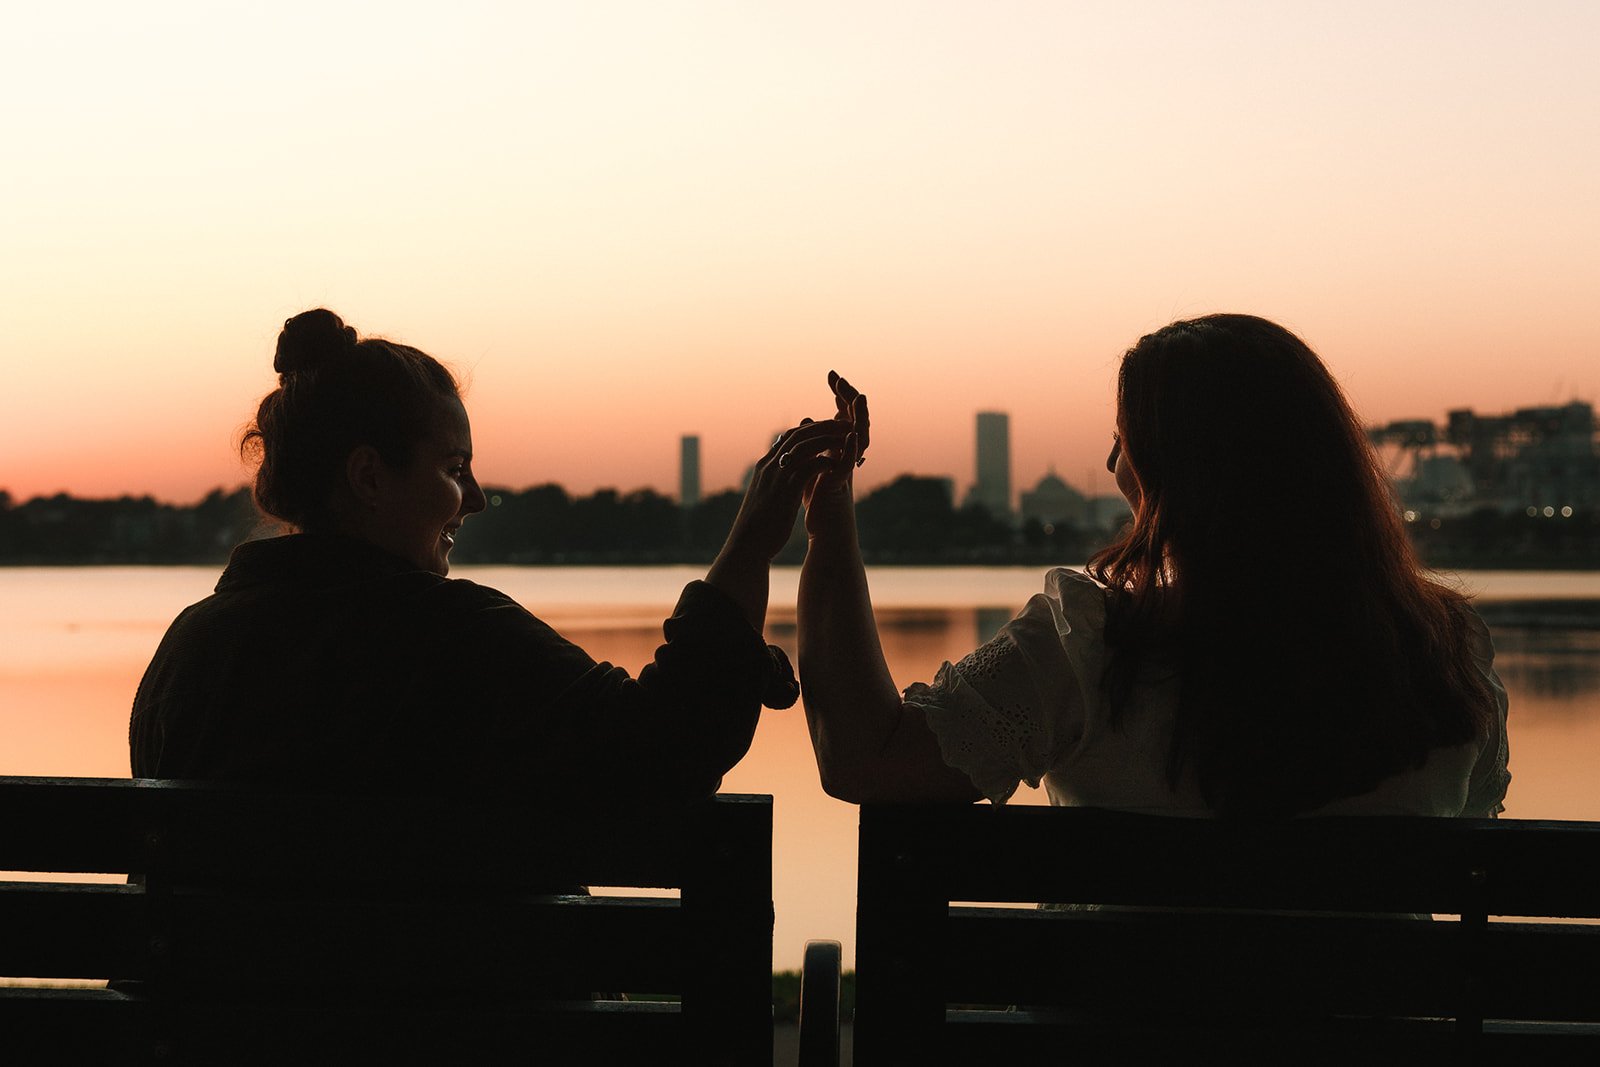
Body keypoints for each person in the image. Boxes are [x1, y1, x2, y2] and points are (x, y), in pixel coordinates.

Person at [797, 315, 1509, 818]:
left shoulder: (1089, 651)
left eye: (1124, 442)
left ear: (1174, 477)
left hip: (1113, 1035)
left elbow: (863, 757)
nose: (1111, 463)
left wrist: (828, 521)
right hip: (1369, 1036)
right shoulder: (1448, 655)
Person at [131, 308, 850, 801]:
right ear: (369, 476)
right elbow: (667, 748)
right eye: (453, 467)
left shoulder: (190, 653)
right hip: (451, 1026)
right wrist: (755, 538)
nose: (474, 499)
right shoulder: (451, 635)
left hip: (206, 1024)